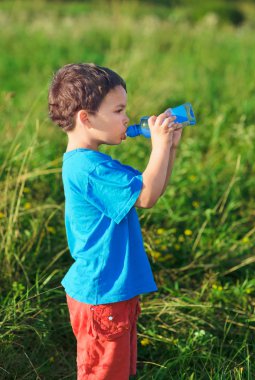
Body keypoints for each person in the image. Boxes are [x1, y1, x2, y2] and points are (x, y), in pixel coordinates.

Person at [48, 63, 182, 380]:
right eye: (119, 110)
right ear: (85, 117)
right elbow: (147, 196)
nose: (126, 119)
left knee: (116, 371)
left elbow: (150, 190)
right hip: (102, 294)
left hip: (110, 291)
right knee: (103, 374)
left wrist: (170, 149)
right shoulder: (90, 168)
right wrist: (159, 145)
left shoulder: (92, 162)